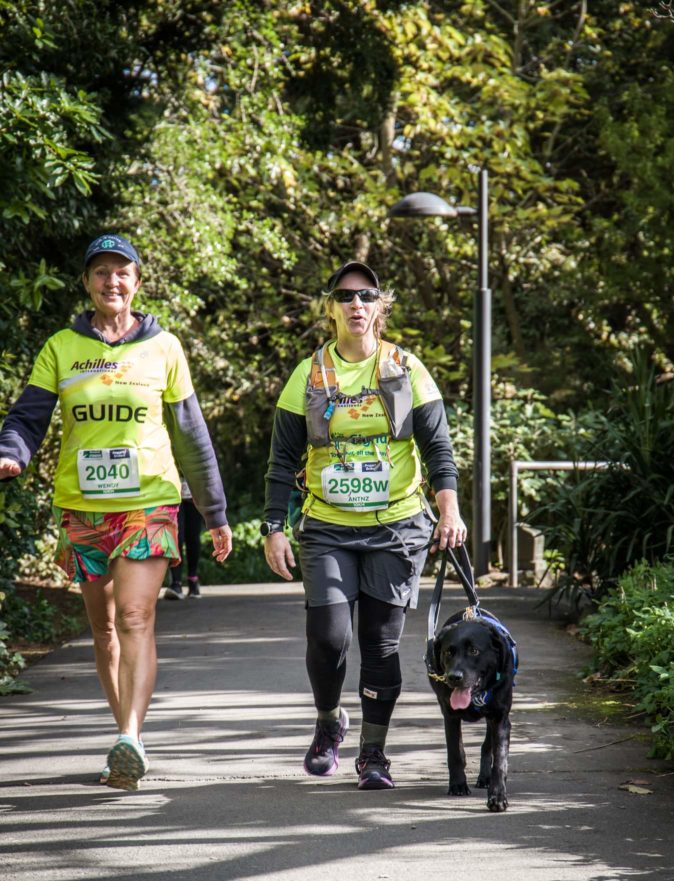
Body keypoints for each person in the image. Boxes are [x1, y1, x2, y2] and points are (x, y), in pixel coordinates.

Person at [0, 233, 231, 791]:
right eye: (100, 272)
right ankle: (124, 736)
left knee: (134, 616)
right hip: (83, 507)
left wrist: (215, 510)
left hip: (148, 501)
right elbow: (28, 417)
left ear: (137, 282)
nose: (111, 281)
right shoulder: (61, 347)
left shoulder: (164, 348)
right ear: (86, 283)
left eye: (121, 271)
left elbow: (192, 435)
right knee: (102, 627)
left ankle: (129, 735)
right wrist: (10, 452)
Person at [262, 261, 466, 790]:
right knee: (329, 638)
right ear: (330, 308)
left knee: (380, 643)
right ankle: (329, 723)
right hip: (327, 525)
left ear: (380, 308)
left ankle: (373, 754)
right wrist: (273, 527)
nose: (356, 304)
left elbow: (438, 449)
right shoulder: (308, 374)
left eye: (367, 296)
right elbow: (283, 458)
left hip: (397, 525)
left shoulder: (405, 367)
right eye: (345, 296)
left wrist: (450, 510)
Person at [164, 478, 204, 599]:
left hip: (195, 495)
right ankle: (176, 583)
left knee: (193, 538)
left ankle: (193, 580)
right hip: (173, 496)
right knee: (176, 537)